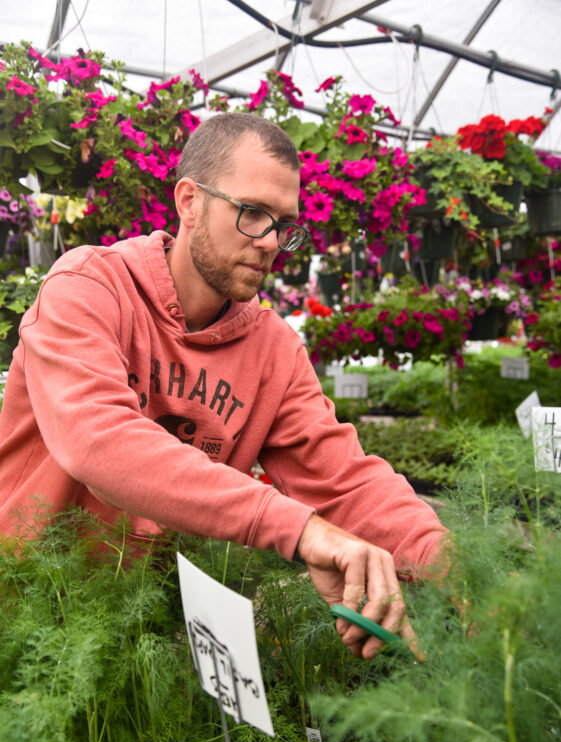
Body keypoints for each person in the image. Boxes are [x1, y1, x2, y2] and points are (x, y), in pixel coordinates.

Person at [0, 112, 448, 659]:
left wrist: (451, 563)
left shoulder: (274, 350)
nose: (270, 243)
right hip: (27, 619)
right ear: (189, 201)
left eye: (283, 224)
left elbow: (345, 482)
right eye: (252, 213)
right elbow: (96, 437)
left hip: (152, 640)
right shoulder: (89, 287)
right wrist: (300, 529)